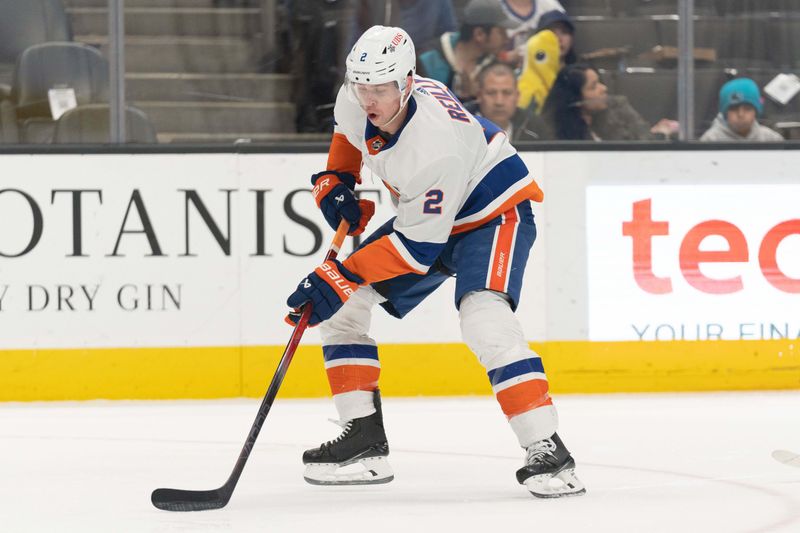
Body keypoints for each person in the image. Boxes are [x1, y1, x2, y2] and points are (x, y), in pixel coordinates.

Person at [285, 25, 586, 498]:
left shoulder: (435, 141)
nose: (369, 98)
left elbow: (416, 250)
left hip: (491, 212)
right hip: (427, 217)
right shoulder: (356, 96)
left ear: (406, 83)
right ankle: (363, 441)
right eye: (361, 85)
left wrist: (339, 274)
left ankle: (549, 450)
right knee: (344, 308)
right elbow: (348, 136)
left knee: (483, 317)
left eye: (381, 88)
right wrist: (335, 181)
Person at [541, 63, 677, 140]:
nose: (604, 88)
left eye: (600, 82)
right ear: (576, 99)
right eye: (593, 87)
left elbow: (645, 140)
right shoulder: (557, 132)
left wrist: (660, 133)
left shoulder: (618, 109)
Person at [417, 0, 514, 104]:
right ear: (479, 34)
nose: (507, 39)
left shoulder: (494, 66)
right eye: (501, 32)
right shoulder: (427, 62)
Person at [475, 62, 548, 142]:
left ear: (517, 96)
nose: (499, 102)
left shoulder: (535, 128)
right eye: (491, 93)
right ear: (479, 95)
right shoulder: (461, 124)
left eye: (507, 93)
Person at [350, 0, 457, 53]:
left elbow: (449, 39)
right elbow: (356, 47)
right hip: (380, 74)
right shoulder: (371, 5)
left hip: (425, 74)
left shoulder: (438, 3)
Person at [700, 78, 783, 142]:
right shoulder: (710, 140)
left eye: (747, 109)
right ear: (725, 114)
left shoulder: (771, 139)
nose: (741, 114)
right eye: (734, 109)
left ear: (756, 112)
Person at [500, 0, 566, 64]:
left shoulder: (550, 4)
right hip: (500, 69)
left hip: (545, 67)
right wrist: (508, 57)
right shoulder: (493, 5)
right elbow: (491, 52)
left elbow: (566, 39)